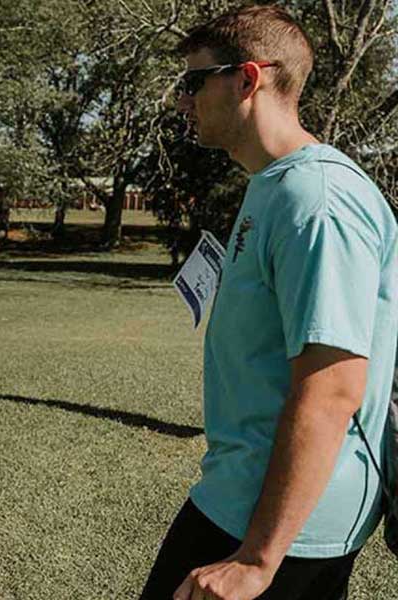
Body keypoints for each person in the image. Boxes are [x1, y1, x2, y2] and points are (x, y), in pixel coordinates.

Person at [139, 6, 398, 599]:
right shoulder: (273, 186)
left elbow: (333, 388)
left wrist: (257, 560)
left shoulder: (319, 198)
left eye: (193, 81)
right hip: (241, 493)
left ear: (247, 80)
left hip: (280, 529)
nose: (183, 100)